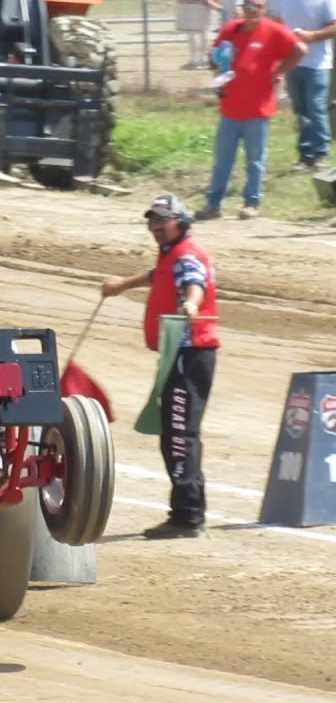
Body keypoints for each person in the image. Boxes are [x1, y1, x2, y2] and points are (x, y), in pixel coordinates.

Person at [101, 195, 221, 540]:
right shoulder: (174, 253)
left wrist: (191, 304)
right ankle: (187, 511)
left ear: (180, 221)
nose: (156, 227)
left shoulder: (187, 254)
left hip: (189, 353)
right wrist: (122, 284)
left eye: (162, 221)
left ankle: (187, 516)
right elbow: (160, 275)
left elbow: (193, 283)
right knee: (175, 432)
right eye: (152, 221)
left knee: (179, 435)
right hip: (180, 354)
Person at [195, 0, 305, 221]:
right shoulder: (231, 29)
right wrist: (218, 68)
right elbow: (213, 56)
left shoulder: (274, 30)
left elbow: (299, 49)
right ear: (242, 7)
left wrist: (279, 70)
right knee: (222, 160)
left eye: (258, 6)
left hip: (258, 109)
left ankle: (251, 203)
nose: (253, 10)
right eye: (249, 5)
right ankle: (213, 204)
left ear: (264, 9)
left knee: (255, 160)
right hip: (230, 108)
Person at [273, 0, 336, 171]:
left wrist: (312, 36)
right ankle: (305, 155)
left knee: (315, 107)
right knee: (300, 110)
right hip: (292, 62)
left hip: (318, 63)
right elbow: (276, 25)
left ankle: (320, 154)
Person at [177, 0, 218, 68]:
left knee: (191, 31)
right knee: (205, 30)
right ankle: (203, 57)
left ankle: (194, 57)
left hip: (187, 1)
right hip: (206, 0)